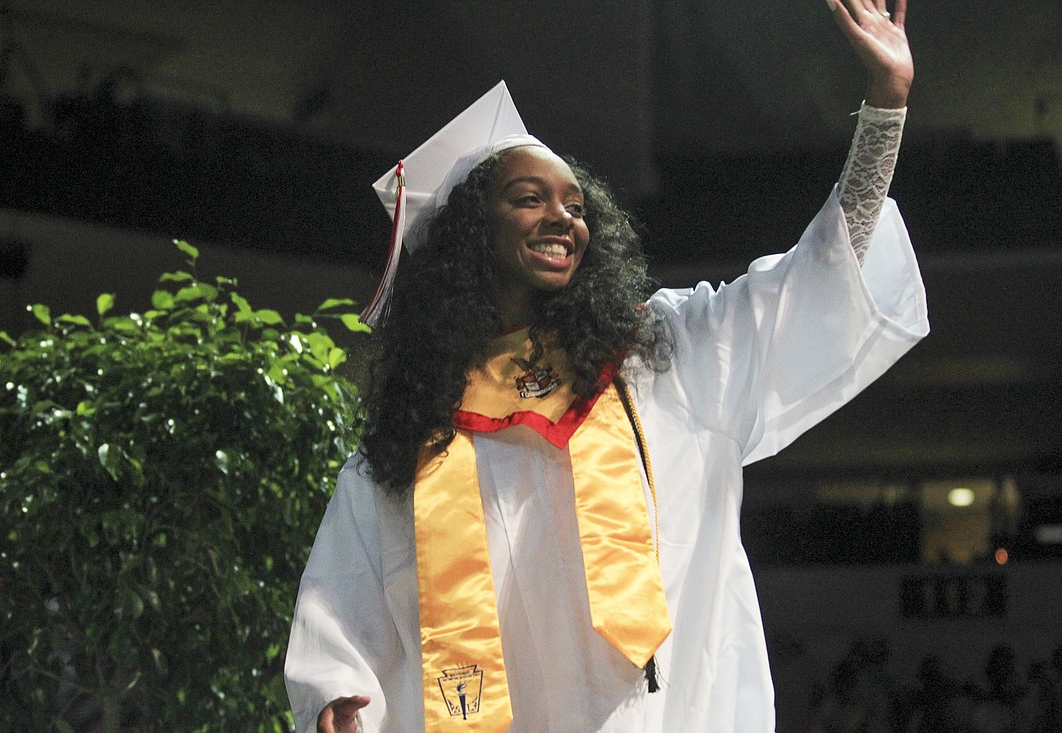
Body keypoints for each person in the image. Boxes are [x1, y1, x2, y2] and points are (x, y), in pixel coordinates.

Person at [285, 1, 927, 731]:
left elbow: (813, 281)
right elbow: (343, 608)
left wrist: (885, 112)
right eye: (529, 199)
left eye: (575, 204)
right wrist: (335, 696)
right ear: (471, 235)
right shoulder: (412, 444)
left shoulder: (663, 360)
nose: (564, 218)